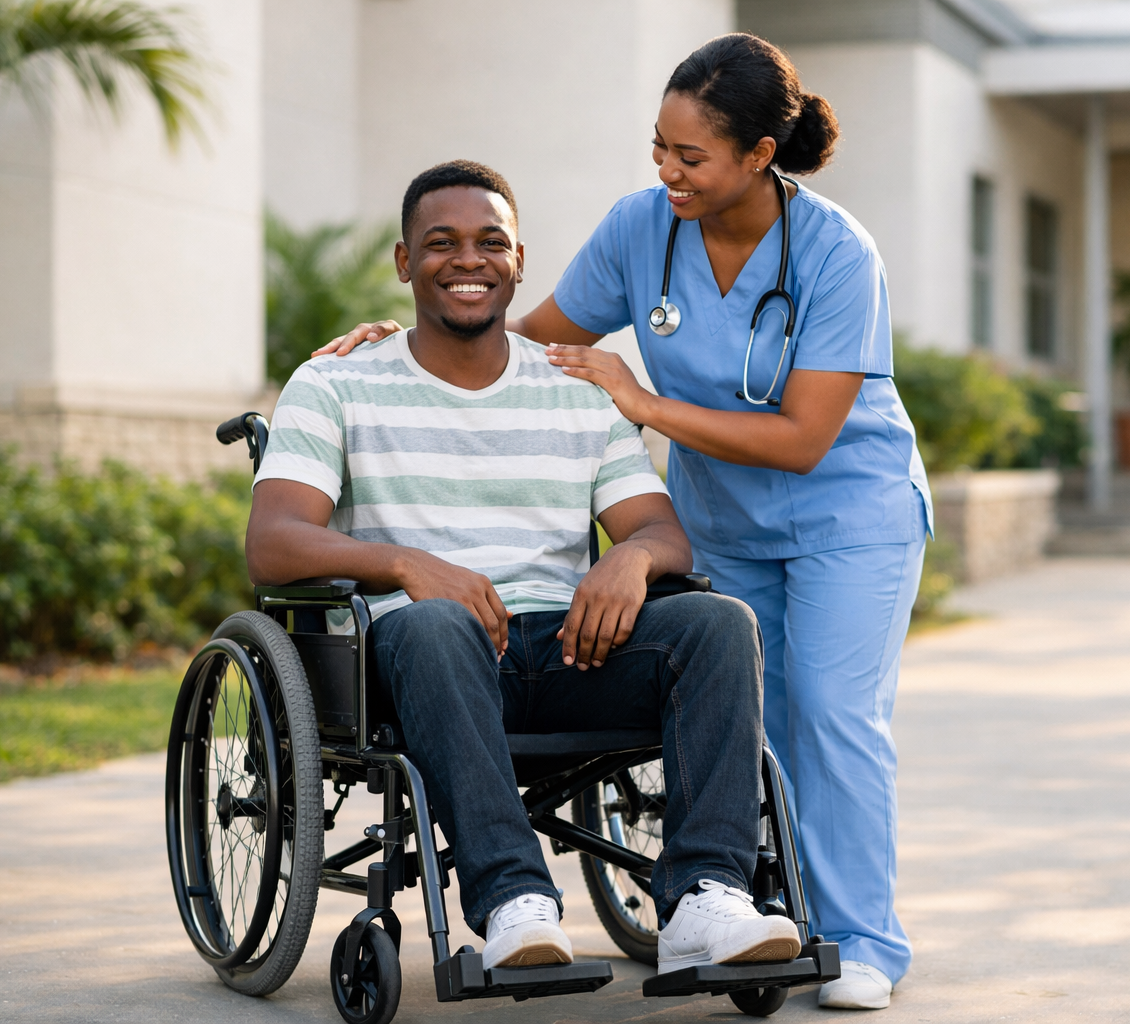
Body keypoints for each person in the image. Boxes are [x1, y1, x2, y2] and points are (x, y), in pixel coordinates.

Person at [321, 35, 929, 1010]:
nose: (667, 171)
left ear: (758, 156)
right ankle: (750, 909)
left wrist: (644, 408)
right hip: (720, 516)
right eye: (659, 147)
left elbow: (806, 436)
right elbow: (531, 336)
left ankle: (862, 940)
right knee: (761, 718)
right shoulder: (643, 229)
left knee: (830, 714)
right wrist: (412, 337)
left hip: (845, 510)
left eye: (691, 157)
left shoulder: (835, 252)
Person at [248, 159, 803, 976]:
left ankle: (706, 899)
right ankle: (514, 902)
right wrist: (406, 564)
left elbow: (659, 530)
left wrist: (634, 561)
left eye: (489, 242)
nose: (466, 260)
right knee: (438, 623)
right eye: (441, 243)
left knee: (719, 623)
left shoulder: (573, 386)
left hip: (569, 648)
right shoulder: (337, 382)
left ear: (517, 261)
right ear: (406, 263)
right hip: (423, 655)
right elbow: (274, 542)